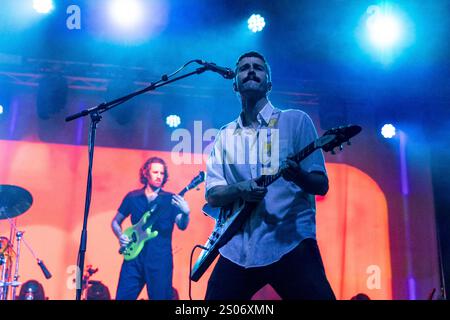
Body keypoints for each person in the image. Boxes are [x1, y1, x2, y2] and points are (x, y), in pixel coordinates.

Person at [204, 51, 336, 300]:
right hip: (237, 248)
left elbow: (321, 184)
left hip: (289, 243)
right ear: (235, 82)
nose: (251, 71)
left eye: (258, 68)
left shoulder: (296, 122)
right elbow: (213, 195)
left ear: (269, 83)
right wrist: (241, 188)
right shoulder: (224, 135)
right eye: (244, 68)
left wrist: (298, 176)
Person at [111, 157, 190, 300]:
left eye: (162, 173)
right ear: (146, 174)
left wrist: (185, 213)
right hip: (133, 257)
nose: (159, 176)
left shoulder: (170, 199)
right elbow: (115, 222)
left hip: (160, 260)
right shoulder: (133, 197)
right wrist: (120, 236)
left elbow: (182, 225)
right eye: (155, 172)